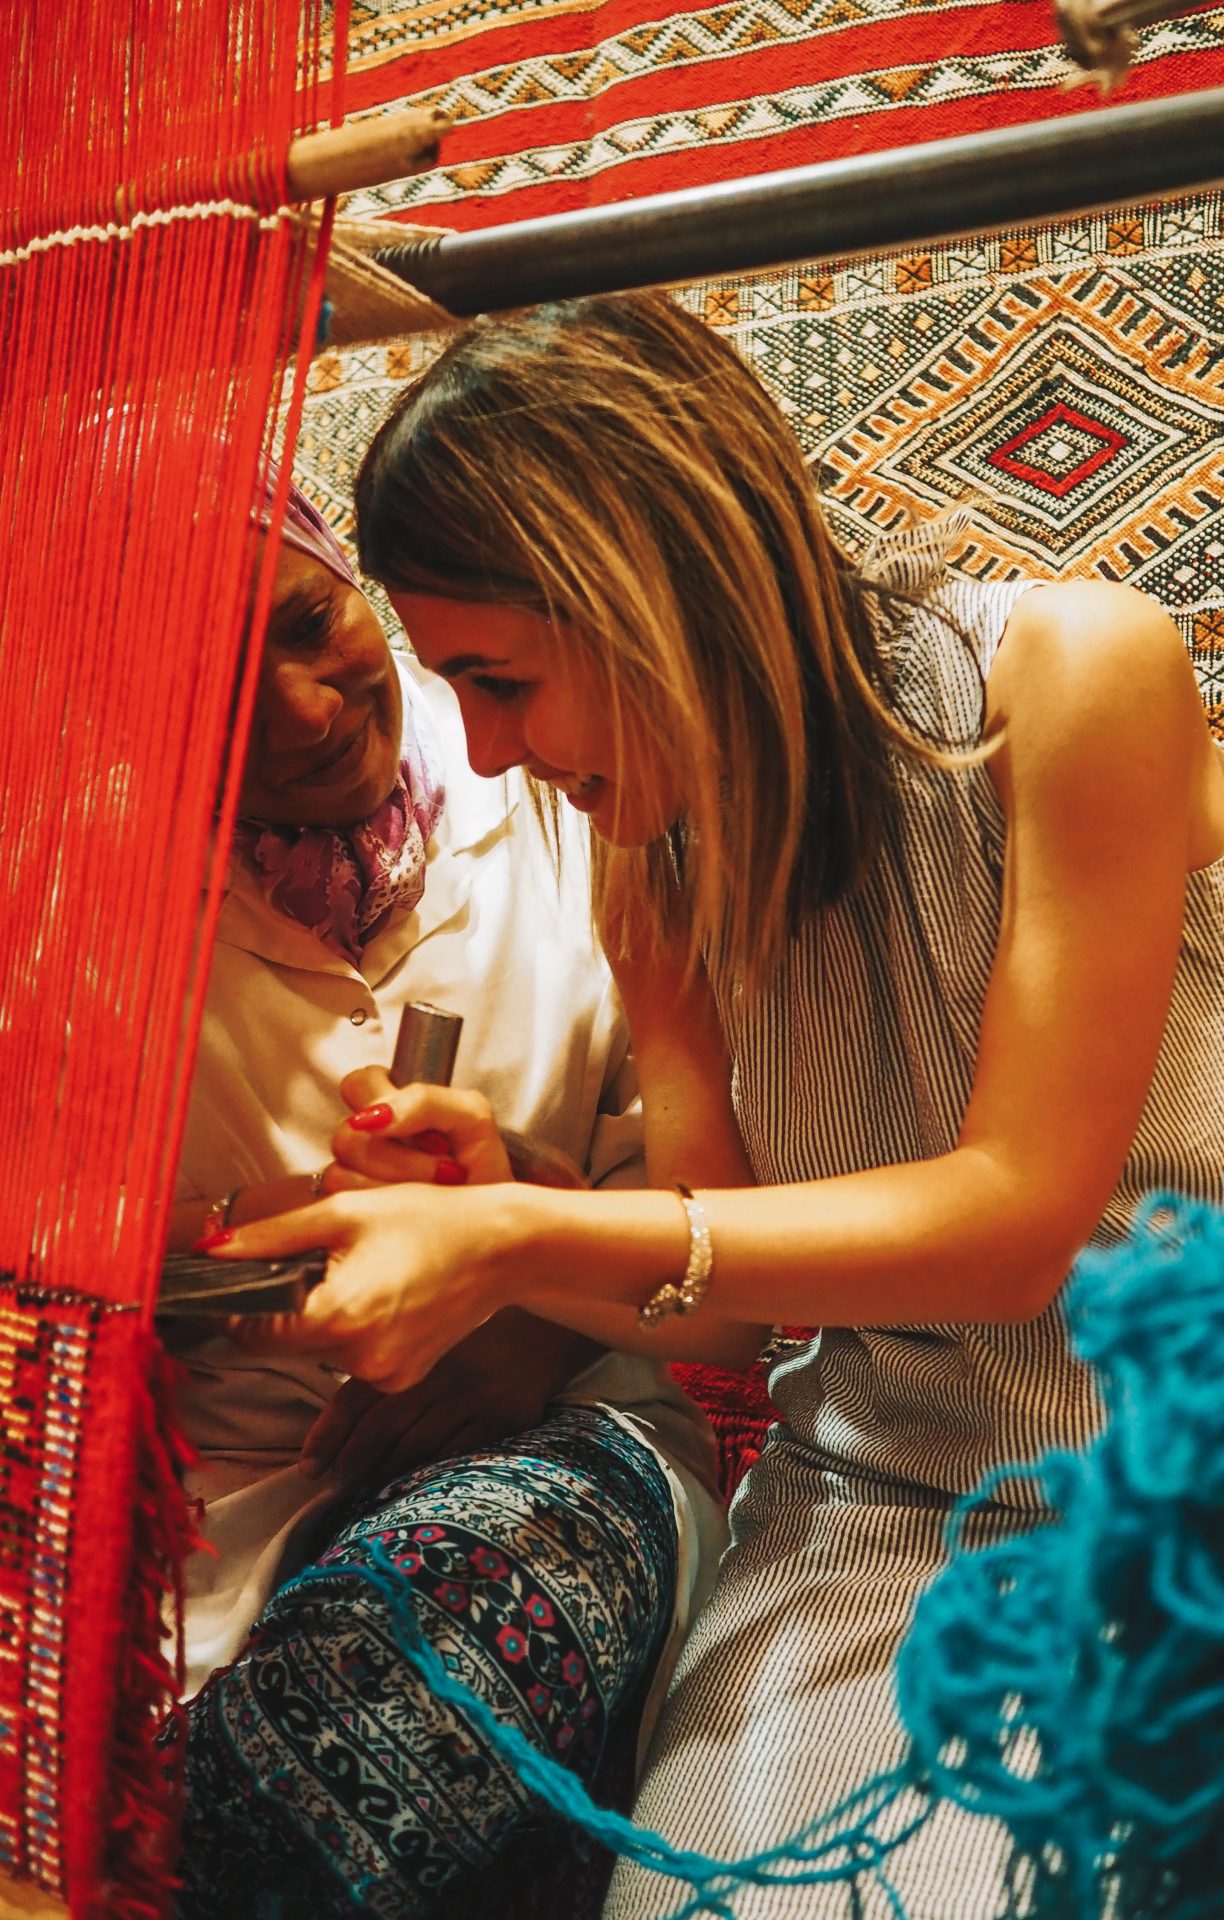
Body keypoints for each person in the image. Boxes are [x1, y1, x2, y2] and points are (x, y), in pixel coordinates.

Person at [209, 293, 1224, 1917]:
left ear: (641, 592)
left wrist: (522, 1226)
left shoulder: (1076, 677)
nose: (482, 750)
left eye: (499, 678)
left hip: (1198, 1472)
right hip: (871, 1502)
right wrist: (494, 1215)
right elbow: (720, 1321)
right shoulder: (646, 864)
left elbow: (1014, 1223)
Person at [166, 476, 723, 1918]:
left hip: (573, 1421)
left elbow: (708, 1211)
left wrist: (522, 1320)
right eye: (220, 689)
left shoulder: (576, 785)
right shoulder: (75, 899)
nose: (302, 710)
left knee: (359, 1729)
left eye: (310, 621)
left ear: (356, 584)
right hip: (204, 1497)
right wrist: (223, 1266)